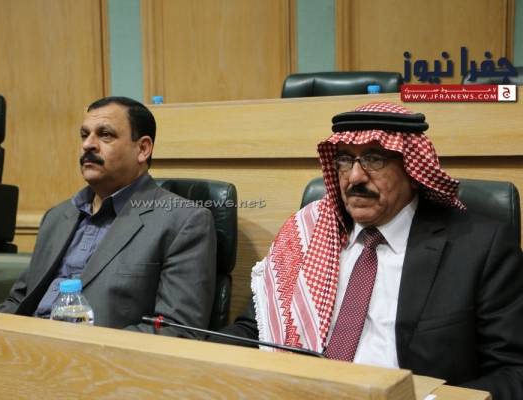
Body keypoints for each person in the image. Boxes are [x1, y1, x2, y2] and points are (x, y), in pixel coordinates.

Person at [216, 102, 523, 399]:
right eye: (344, 160)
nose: (355, 177)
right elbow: (255, 330)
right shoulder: (306, 233)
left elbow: (513, 371)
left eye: (374, 159)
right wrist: (201, 357)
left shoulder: (480, 247)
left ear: (412, 169)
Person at [0, 96, 217, 337]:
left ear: (143, 149)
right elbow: (18, 300)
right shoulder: (57, 216)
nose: (88, 145)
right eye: (84, 135)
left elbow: (176, 329)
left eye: (105, 135)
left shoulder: (183, 221)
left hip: (100, 354)